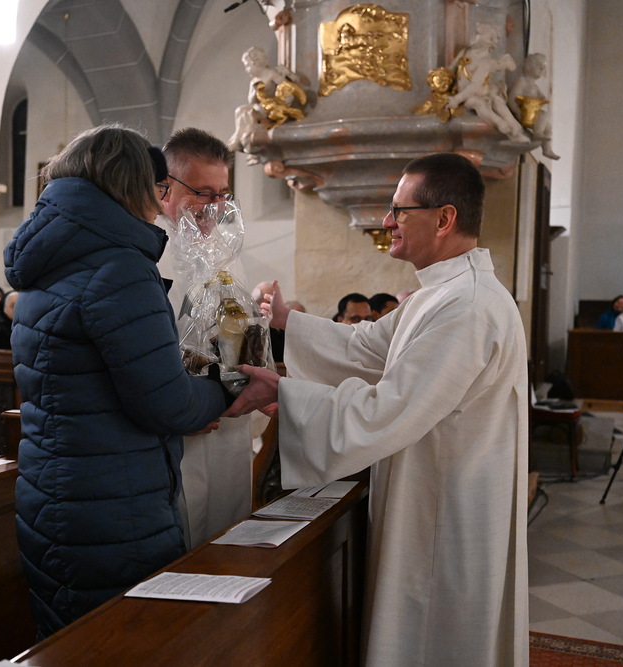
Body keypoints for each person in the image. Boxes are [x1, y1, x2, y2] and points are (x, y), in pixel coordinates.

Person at [226, 153, 529, 665]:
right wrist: (286, 322)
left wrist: (285, 395)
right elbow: (367, 349)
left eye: (399, 210)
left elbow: (389, 409)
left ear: (444, 218)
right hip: (430, 493)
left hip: (446, 512)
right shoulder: (441, 294)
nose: (387, 222)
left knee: (434, 637)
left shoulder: (467, 306)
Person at [4, 124, 230, 639]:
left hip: (55, 487)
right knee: (127, 640)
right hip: (111, 499)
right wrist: (226, 390)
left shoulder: (52, 256)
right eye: (157, 186)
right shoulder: (120, 266)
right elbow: (167, 405)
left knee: (70, 636)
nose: (158, 203)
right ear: (132, 184)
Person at [158, 127, 256, 548]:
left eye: (223, 194)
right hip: (180, 425)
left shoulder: (225, 251)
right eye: (202, 193)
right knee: (184, 538)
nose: (214, 207)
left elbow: (239, 327)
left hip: (229, 419)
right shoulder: (149, 249)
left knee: (229, 537)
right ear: (165, 187)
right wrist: (182, 409)